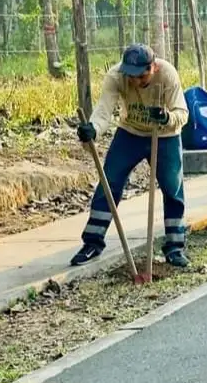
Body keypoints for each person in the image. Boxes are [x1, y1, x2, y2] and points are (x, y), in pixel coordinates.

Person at [72, 44, 191, 268]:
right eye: (131, 76)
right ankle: (92, 242)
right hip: (131, 132)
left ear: (153, 67)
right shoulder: (116, 76)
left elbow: (182, 113)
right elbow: (103, 111)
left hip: (166, 134)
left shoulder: (167, 74)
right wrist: (93, 129)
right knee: (110, 182)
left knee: (173, 188)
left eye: (141, 75)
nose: (136, 81)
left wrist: (166, 117)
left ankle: (175, 247)